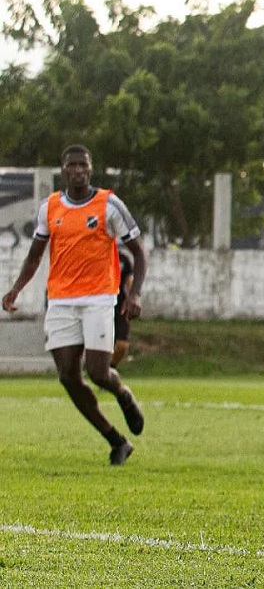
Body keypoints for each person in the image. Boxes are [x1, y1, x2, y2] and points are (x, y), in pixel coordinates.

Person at [2, 145, 148, 465]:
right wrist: (15, 289)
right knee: (68, 376)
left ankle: (122, 394)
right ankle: (116, 440)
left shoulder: (109, 204)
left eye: (83, 164)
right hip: (61, 301)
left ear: (90, 169)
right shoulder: (50, 207)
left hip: (98, 298)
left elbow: (138, 253)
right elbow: (35, 254)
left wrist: (134, 294)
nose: (78, 169)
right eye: (72, 165)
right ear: (63, 169)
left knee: (98, 372)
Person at [110, 246, 138, 367]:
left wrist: (132, 297)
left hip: (119, 305)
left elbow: (129, 279)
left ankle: (111, 367)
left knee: (122, 345)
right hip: (99, 304)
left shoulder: (123, 259)